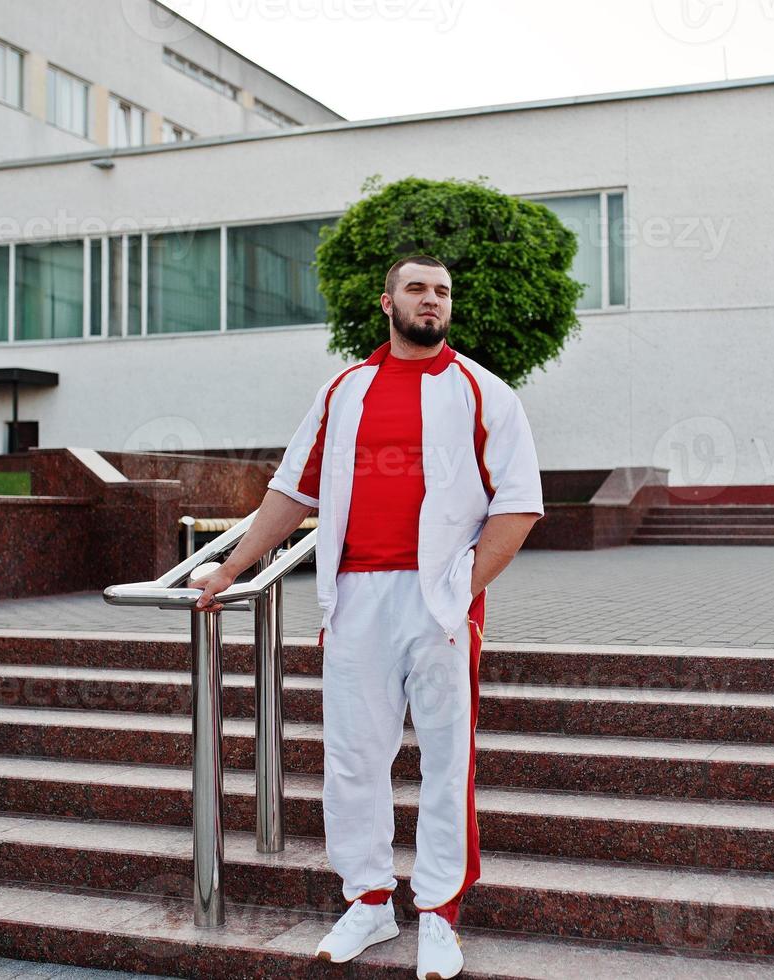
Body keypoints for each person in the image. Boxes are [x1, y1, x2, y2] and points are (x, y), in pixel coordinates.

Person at [189, 254, 544, 980]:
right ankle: (370, 901)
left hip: (440, 600)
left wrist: (459, 588)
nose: (431, 300)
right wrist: (230, 570)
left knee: (446, 762)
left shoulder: (484, 392)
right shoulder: (344, 391)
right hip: (354, 598)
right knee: (352, 759)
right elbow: (291, 493)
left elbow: (518, 504)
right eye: (417, 288)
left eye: (442, 290)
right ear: (388, 301)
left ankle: (440, 915)